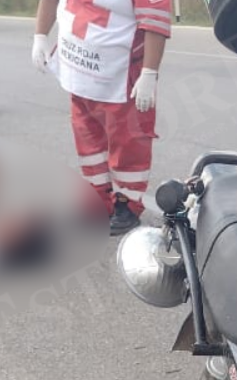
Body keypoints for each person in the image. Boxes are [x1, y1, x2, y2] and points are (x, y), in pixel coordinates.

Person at [32, 0, 171, 236]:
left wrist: (149, 72)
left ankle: (126, 204)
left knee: (128, 143)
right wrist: (40, 36)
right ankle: (98, 199)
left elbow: (154, 22)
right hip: (79, 73)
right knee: (88, 142)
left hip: (120, 75)